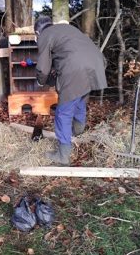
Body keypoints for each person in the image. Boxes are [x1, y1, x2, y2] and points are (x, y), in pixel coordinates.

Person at [34, 16, 107, 165]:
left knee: (63, 113)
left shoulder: (44, 36)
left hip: (75, 68)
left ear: (37, 32)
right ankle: (78, 130)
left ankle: (63, 155)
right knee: (79, 98)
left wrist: (41, 81)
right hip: (97, 63)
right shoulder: (67, 29)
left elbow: (43, 68)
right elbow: (64, 54)